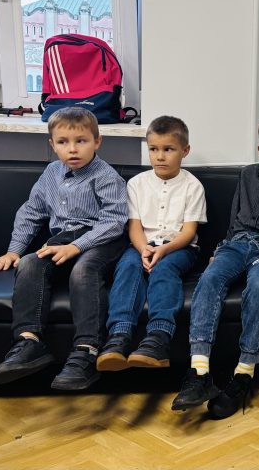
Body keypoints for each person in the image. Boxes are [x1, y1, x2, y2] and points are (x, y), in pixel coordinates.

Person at [171, 114, 259, 420]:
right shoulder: (248, 175)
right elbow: (236, 216)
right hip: (237, 244)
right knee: (209, 279)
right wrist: (221, 248)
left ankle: (244, 374)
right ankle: (199, 372)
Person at [0, 107, 128, 391]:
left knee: (83, 271)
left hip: (102, 240)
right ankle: (29, 343)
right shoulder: (51, 173)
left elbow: (114, 222)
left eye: (81, 141)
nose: (72, 149)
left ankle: (87, 351)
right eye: (63, 142)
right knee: (29, 263)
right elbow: (31, 212)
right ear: (52, 144)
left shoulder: (106, 176)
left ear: (97, 141)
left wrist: (76, 246)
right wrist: (14, 250)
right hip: (63, 239)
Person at [96, 116, 207, 372]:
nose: (160, 156)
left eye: (168, 149)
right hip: (141, 245)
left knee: (164, 269)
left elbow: (189, 232)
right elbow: (134, 226)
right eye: (154, 149)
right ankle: (118, 336)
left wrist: (163, 250)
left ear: (185, 150)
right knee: (127, 267)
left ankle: (158, 338)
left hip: (179, 248)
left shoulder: (193, 186)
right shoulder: (137, 184)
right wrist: (144, 249)